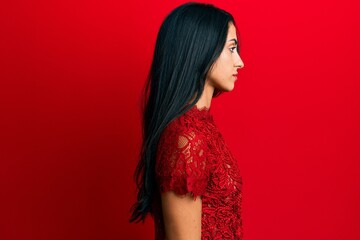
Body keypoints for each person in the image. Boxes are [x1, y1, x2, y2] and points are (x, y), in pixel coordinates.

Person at [129, 2, 245, 239]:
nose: (240, 62)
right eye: (231, 48)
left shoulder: (202, 128)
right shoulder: (186, 137)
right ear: (201, 50)